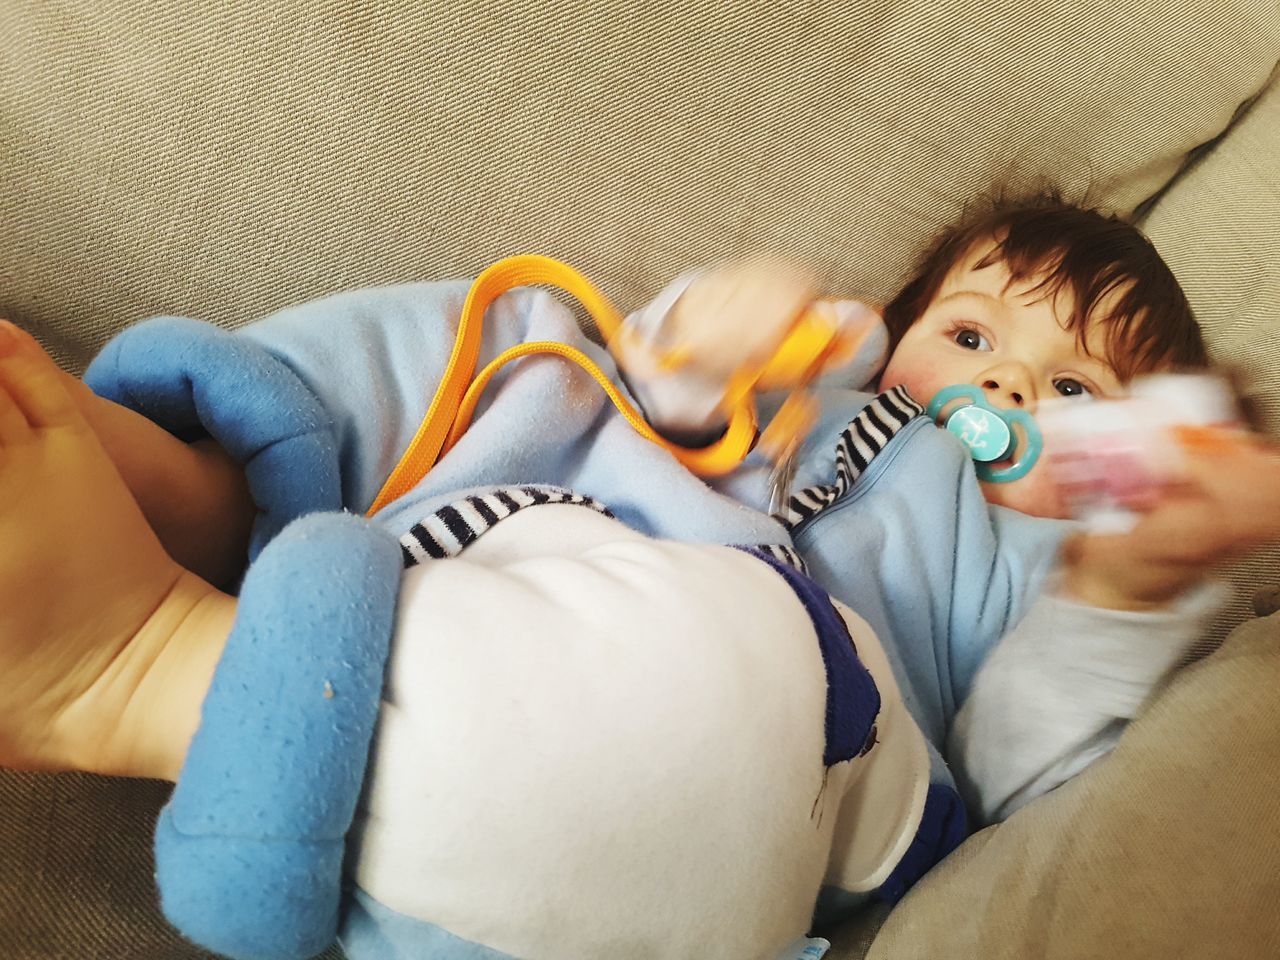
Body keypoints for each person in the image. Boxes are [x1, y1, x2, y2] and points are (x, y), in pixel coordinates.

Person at [1, 195, 1277, 960]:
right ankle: (213, 470)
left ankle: (136, 663)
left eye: (1071, 391)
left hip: (735, 723)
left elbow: (1019, 771)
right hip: (505, 541)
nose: (1002, 386)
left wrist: (1120, 588)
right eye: (970, 332)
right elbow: (629, 424)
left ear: (1119, 462)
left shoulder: (1035, 565)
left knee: (707, 690)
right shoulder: (827, 395)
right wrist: (697, 350)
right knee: (539, 347)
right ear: (900, 332)